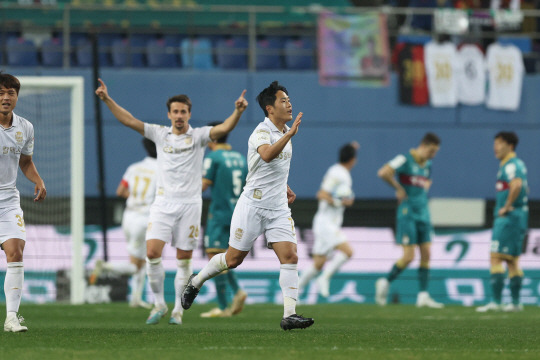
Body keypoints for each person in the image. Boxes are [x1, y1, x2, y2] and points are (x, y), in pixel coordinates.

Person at [95, 78, 247, 325]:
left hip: (189, 205)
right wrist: (107, 99)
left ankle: (177, 310)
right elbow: (128, 120)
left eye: (183, 112)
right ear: (169, 114)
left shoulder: (198, 136)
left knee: (183, 260)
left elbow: (221, 129)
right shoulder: (159, 133)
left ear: (189, 114)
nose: (179, 115)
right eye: (175, 111)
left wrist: (237, 111)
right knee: (152, 253)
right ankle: (158, 304)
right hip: (163, 204)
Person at [181, 81, 314, 331]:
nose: (289, 104)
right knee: (232, 260)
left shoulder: (286, 131)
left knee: (290, 256)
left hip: (277, 208)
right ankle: (196, 282)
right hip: (252, 205)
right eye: (283, 100)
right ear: (269, 108)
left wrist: (284, 186)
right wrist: (289, 135)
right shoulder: (262, 132)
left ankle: (289, 315)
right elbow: (265, 155)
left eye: (289, 99)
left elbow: (271, 167)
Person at [375, 132, 444, 308]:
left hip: (424, 213)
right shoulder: (404, 159)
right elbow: (383, 172)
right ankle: (385, 281)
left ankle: (423, 295)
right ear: (423, 145)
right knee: (409, 256)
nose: (433, 155)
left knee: (427, 253)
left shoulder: (428, 165)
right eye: (431, 150)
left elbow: (427, 182)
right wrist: (398, 188)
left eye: (435, 152)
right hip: (408, 213)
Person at [0, 72, 47, 332]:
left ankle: (11, 317)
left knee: (15, 252)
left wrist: (37, 180)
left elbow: (25, 161)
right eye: (0, 93)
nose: (5, 98)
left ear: (17, 96)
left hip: (8, 200)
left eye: (10, 93)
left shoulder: (25, 127)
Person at [89, 138, 158, 309]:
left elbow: (120, 191)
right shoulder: (162, 170)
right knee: (137, 265)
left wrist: (135, 198)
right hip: (144, 219)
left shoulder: (134, 168)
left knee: (141, 260)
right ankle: (105, 266)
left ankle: (135, 298)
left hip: (128, 217)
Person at [200, 121, 249, 318]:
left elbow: (203, 186)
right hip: (239, 213)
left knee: (214, 256)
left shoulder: (213, 158)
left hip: (219, 213)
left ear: (213, 137)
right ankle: (236, 293)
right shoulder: (240, 158)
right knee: (225, 257)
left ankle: (224, 305)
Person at [298, 142, 359, 298]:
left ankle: (294, 291)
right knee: (348, 251)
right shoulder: (337, 173)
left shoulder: (342, 173)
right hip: (326, 223)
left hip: (327, 222)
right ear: (352, 159)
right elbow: (321, 194)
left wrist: (346, 200)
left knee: (318, 263)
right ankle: (325, 278)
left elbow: (342, 196)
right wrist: (338, 201)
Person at [476, 132, 528, 312]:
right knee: (512, 261)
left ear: (510, 145)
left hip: (509, 217)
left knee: (496, 256)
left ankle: (496, 302)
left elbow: (517, 184)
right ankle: (515, 303)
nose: (495, 147)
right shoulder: (512, 164)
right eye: (495, 143)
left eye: (499, 143)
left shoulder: (511, 165)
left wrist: (506, 206)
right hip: (519, 217)